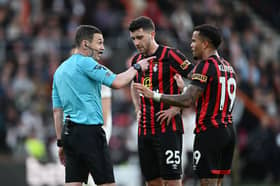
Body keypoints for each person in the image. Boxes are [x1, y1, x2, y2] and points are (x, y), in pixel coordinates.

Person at [134, 24, 237, 186]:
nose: (191, 45)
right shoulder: (228, 67)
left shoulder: (205, 66)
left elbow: (188, 100)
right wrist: (185, 89)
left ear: (205, 44)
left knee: (206, 182)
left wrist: (154, 95)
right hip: (228, 130)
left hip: (210, 131)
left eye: (194, 41)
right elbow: (208, 92)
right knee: (217, 183)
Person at [52, 25, 153, 186]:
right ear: (85, 44)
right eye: (99, 43)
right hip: (90, 132)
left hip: (69, 134)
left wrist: (60, 142)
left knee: (73, 183)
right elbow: (117, 81)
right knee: (107, 183)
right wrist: (137, 67)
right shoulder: (87, 63)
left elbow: (57, 112)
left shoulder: (59, 71)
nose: (102, 48)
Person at [128, 16, 194, 186]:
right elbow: (133, 85)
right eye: (133, 38)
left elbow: (198, 81)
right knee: (152, 182)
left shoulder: (171, 55)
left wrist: (177, 108)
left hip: (168, 129)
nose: (136, 42)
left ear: (152, 34)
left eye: (140, 37)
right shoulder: (136, 61)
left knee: (172, 182)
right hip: (144, 130)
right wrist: (137, 108)